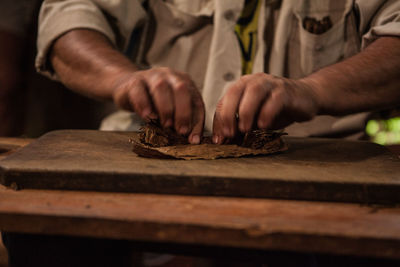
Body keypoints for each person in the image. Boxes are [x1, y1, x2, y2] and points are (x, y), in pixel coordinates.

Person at [36, 0, 400, 143]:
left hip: (317, 164)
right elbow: (68, 15)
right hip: (155, 153)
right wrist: (123, 80)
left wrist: (314, 91)